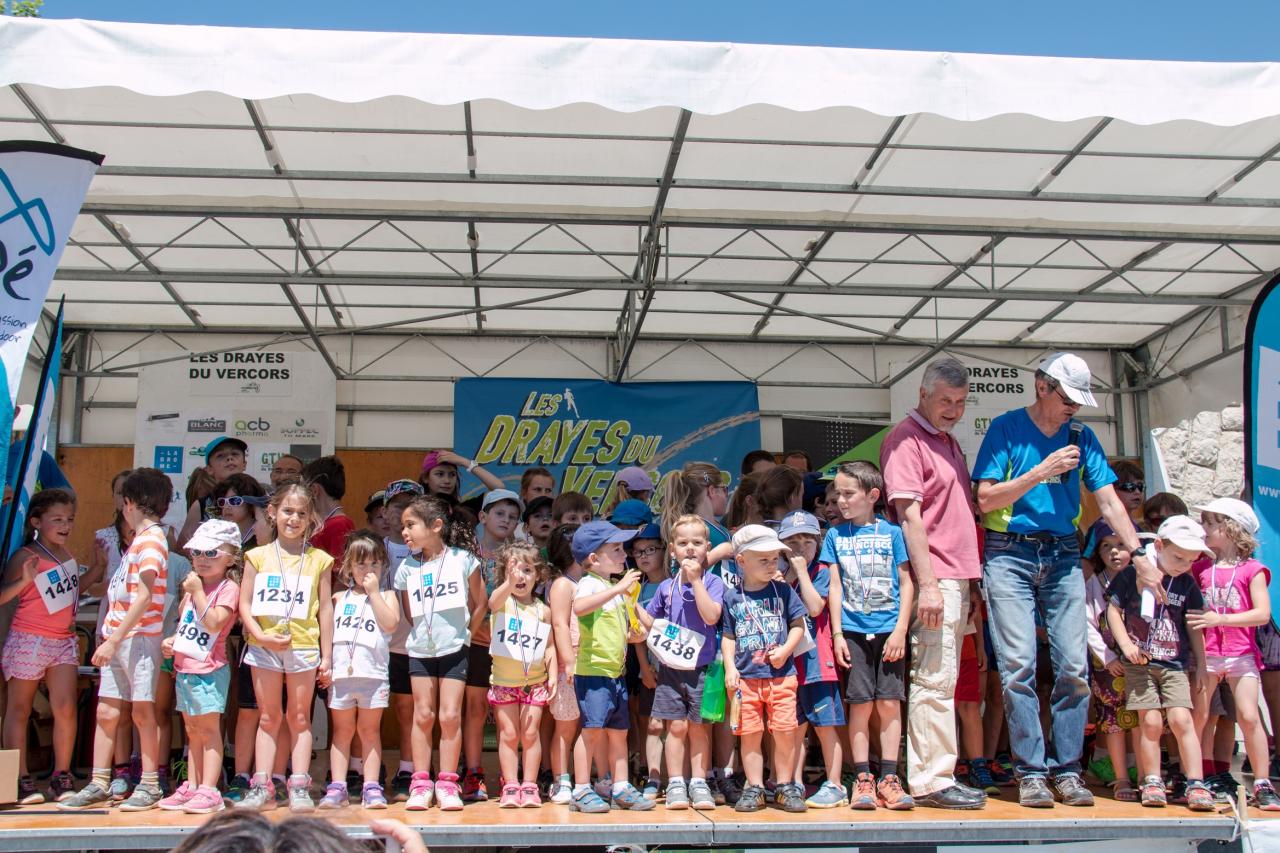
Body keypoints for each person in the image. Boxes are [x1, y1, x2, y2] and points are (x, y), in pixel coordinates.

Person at [972, 352, 1160, 808]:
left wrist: (1139, 554)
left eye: (1080, 398)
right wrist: (1041, 472)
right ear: (1042, 386)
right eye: (1068, 397)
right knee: (1018, 668)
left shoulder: (1083, 435)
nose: (1074, 406)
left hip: (1062, 553)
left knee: (1074, 666)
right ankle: (1032, 772)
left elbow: (1111, 503)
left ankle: (1068, 769)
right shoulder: (1005, 428)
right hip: (1008, 552)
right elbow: (984, 498)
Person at [880, 357, 987, 809]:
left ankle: (938, 773)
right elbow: (909, 518)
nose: (955, 409)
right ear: (922, 393)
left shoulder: (948, 441)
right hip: (937, 575)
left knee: (943, 678)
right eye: (946, 400)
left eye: (961, 402)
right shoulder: (906, 439)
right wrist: (927, 584)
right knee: (933, 680)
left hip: (956, 576)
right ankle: (931, 780)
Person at [61, 468, 172, 811]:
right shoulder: (139, 540)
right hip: (120, 638)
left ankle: (150, 783)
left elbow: (144, 596)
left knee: (142, 711)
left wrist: (113, 640)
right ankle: (99, 781)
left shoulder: (152, 540)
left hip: (137, 639)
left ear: (128, 504)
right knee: (108, 710)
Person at [821, 461, 915, 811]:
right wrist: (839, 633)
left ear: (872, 495)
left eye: (848, 494)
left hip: (889, 629)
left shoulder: (892, 533)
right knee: (859, 703)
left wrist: (901, 629)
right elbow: (833, 587)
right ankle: (863, 778)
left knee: (889, 702)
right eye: (837, 494)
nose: (841, 501)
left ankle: (890, 776)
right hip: (854, 631)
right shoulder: (834, 536)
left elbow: (907, 582)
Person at [236, 482, 335, 812]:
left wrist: (328, 657)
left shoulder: (320, 560)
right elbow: (244, 605)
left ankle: (299, 785)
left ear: (311, 518)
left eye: (301, 513)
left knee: (299, 717)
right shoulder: (256, 556)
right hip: (263, 647)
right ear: (272, 512)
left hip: (303, 647)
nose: (293, 518)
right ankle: (262, 784)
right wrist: (259, 636)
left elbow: (325, 610)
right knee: (267, 716)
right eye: (287, 511)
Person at [1106, 516, 1215, 810]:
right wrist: (1125, 645)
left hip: (1175, 663)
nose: (1183, 564)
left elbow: (1193, 625)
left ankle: (1195, 782)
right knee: (1150, 721)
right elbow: (1113, 611)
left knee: (1182, 719)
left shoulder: (1187, 583)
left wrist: (1202, 665)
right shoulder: (1131, 575)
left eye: (1191, 560)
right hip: (1140, 662)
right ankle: (1152, 780)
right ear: (1158, 546)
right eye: (1178, 556)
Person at [1186, 498, 1280, 810]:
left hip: (1241, 653)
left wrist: (1221, 619)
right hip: (1207, 654)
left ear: (1229, 528)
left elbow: (1262, 614)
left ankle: (1263, 783)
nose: (1204, 529)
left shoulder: (1252, 569)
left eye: (1210, 523)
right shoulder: (1199, 567)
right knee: (1199, 717)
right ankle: (1195, 780)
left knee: (1249, 717)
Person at [394, 495, 483, 811]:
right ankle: (420, 782)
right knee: (423, 714)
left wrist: (468, 631)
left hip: (455, 649)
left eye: (410, 525)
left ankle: (447, 783)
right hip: (419, 650)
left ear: (435, 525)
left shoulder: (464, 560)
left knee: (449, 715)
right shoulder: (406, 568)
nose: (404, 532)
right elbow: (409, 613)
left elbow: (480, 601)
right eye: (403, 526)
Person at [1, 488, 86, 804]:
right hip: (27, 639)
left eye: (70, 519)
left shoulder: (68, 556)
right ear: (36, 521)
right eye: (57, 519)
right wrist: (22, 582)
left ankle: (61, 776)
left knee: (65, 707)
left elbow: (67, 595)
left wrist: (96, 573)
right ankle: (20, 779)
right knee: (19, 709)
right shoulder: (25, 556)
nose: (65, 525)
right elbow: (4, 598)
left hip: (62, 641)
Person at [635, 515, 724, 811]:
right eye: (683, 543)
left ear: (707, 548)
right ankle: (675, 782)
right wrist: (631, 604)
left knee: (699, 728)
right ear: (672, 549)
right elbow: (652, 623)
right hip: (671, 670)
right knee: (674, 727)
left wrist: (696, 579)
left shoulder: (712, 582)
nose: (689, 549)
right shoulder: (666, 587)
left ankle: (699, 781)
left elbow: (712, 616)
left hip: (701, 670)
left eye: (697, 543)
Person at [568, 520, 654, 813]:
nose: (624, 555)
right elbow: (579, 608)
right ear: (593, 558)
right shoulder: (590, 584)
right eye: (616, 550)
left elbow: (620, 628)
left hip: (614, 673)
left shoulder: (610, 588)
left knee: (619, 732)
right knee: (591, 731)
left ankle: (620, 785)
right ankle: (580, 789)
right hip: (593, 672)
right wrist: (619, 588)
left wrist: (634, 635)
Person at [721, 524, 808, 813]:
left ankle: (784, 785)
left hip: (781, 676)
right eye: (763, 559)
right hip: (747, 679)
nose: (772, 565)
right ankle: (754, 786)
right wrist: (731, 668)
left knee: (784, 732)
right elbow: (728, 636)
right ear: (742, 561)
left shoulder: (783, 591)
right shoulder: (732, 597)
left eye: (774, 559)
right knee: (750, 734)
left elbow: (798, 625)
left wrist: (785, 650)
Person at [158, 519, 242, 815]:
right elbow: (188, 626)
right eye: (198, 553)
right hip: (185, 669)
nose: (203, 560)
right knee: (192, 731)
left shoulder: (228, 588)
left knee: (209, 731)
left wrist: (195, 592)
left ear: (231, 557)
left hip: (210, 670)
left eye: (212, 553)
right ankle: (191, 785)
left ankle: (209, 788)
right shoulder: (193, 588)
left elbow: (215, 622)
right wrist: (171, 641)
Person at [319, 531, 399, 810]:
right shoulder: (338, 598)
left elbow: (390, 625)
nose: (368, 570)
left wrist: (375, 593)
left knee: (369, 731)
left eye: (375, 564)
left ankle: (371, 785)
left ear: (383, 566)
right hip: (342, 675)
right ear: (349, 566)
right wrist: (326, 662)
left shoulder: (387, 595)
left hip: (373, 676)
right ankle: (338, 785)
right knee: (342, 732)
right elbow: (326, 634)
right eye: (361, 564)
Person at [777, 510, 846, 809]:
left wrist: (802, 572)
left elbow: (816, 608)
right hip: (790, 665)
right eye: (792, 540)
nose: (801, 546)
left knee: (825, 726)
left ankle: (835, 783)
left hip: (818, 663)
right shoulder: (779, 578)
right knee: (794, 729)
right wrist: (788, 576)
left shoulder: (821, 571)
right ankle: (793, 783)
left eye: (808, 539)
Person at [462, 489, 524, 802]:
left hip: (508, 646)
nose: (506, 520)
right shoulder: (466, 555)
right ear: (483, 517)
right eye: (499, 513)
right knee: (474, 708)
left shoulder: (520, 557)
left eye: (513, 517)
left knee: (507, 714)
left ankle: (508, 774)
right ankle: (472, 771)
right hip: (475, 642)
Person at [487, 541, 557, 808]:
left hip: (534, 682)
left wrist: (551, 675)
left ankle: (529, 785)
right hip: (504, 682)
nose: (521, 577)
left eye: (527, 570)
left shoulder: (542, 609)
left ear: (538, 575)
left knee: (530, 734)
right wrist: (508, 582)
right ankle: (510, 784)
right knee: (508, 735)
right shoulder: (502, 603)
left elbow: (549, 646)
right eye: (514, 570)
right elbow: (492, 602)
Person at [1082, 521, 1137, 801]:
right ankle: (1120, 777)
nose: (1115, 552)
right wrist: (1106, 656)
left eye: (1121, 545)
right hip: (1109, 665)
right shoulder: (1094, 583)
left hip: (1141, 663)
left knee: (1141, 718)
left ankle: (1144, 770)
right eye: (1107, 546)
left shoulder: (1142, 579)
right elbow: (1088, 623)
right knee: (1113, 720)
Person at [380, 479, 425, 802]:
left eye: (410, 506)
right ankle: (360, 771)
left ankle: (410, 768)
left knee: (412, 709)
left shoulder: (429, 555)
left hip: (418, 644)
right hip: (379, 643)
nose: (402, 512)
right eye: (397, 505)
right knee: (368, 710)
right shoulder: (376, 548)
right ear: (385, 512)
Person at [545, 522, 585, 805]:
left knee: (587, 725)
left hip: (592, 662)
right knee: (566, 727)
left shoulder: (589, 582)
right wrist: (568, 661)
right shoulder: (562, 584)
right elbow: (559, 623)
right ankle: (561, 779)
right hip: (569, 664)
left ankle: (586, 777)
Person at [180, 437, 249, 543]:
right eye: (220, 456)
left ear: (244, 464)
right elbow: (182, 550)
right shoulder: (201, 506)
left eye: (235, 454)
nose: (230, 458)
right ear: (209, 469)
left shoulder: (260, 498)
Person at [301, 455, 356, 567]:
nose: (299, 496)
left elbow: (342, 575)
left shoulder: (340, 525)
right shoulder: (321, 524)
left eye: (302, 490)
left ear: (314, 490)